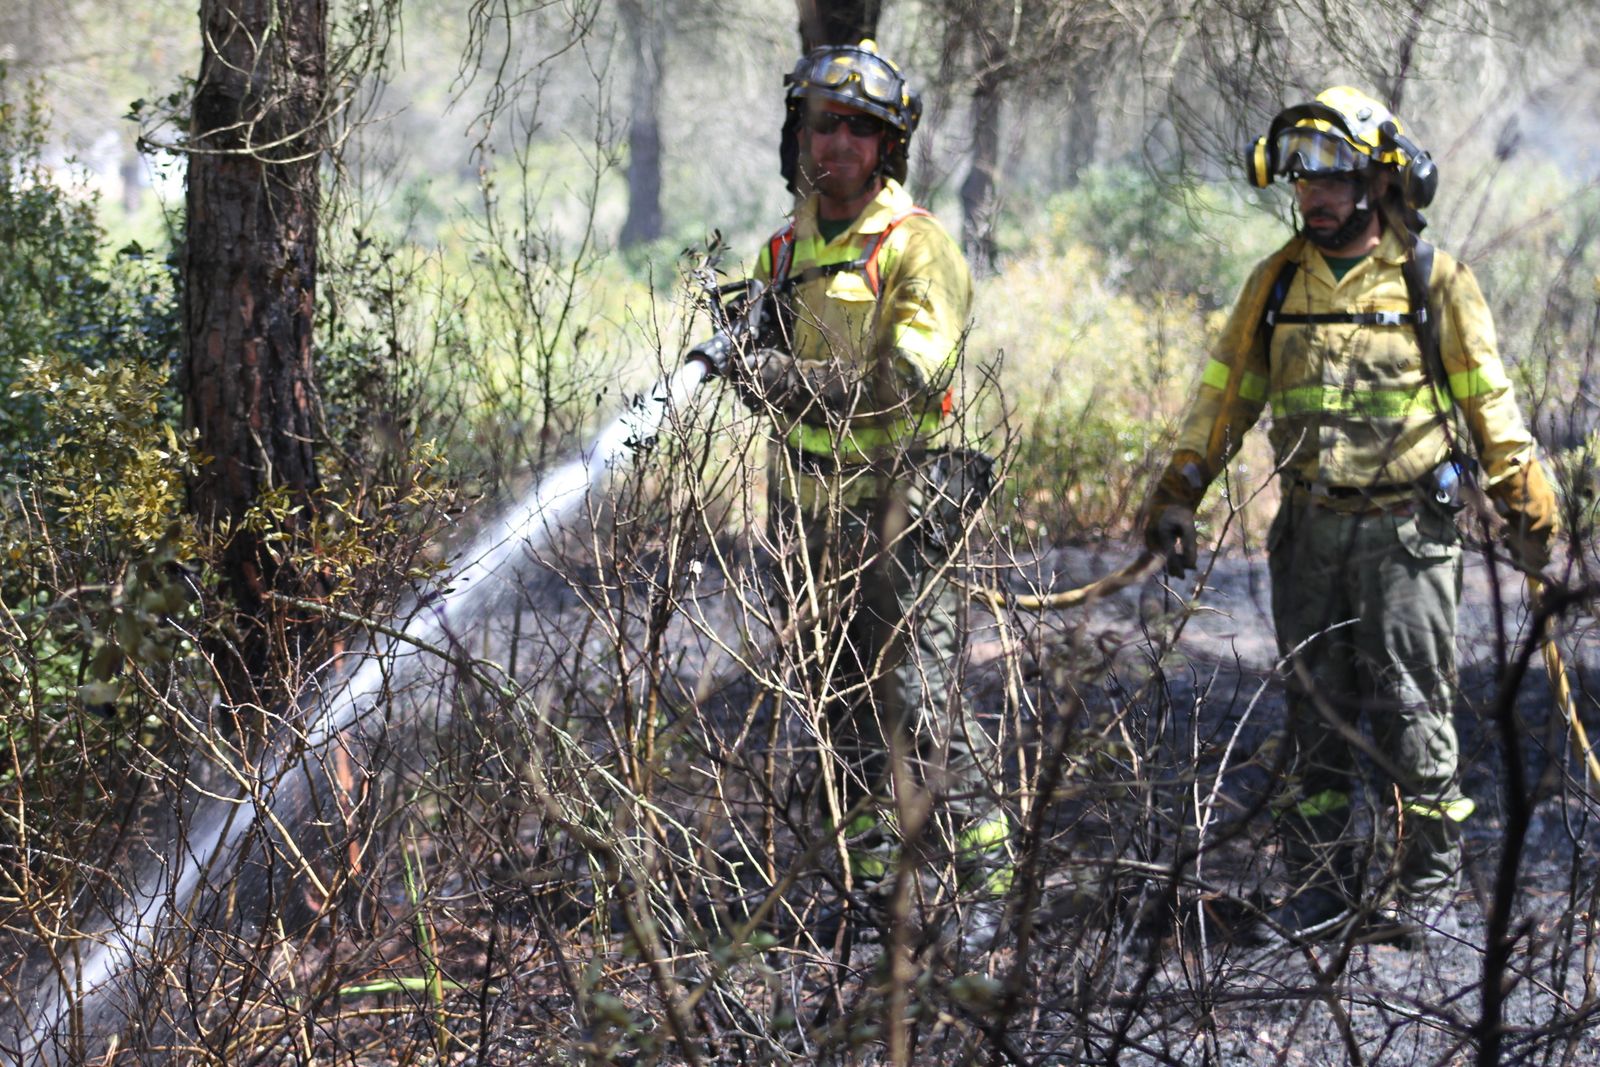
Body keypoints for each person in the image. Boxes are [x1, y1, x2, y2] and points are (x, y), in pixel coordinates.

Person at [1144, 86, 1560, 943]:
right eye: (1301, 178)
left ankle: (1428, 892)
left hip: (1407, 539)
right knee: (1314, 717)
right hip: (1308, 534)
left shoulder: (1432, 278)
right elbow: (1226, 394)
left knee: (1414, 715)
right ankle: (1325, 885)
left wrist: (1529, 511)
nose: (1314, 196)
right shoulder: (1278, 281)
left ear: (1378, 179)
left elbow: (1491, 405)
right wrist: (1181, 487)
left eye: (1333, 177)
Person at [718, 40, 1007, 942]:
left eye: (858, 128)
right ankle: (876, 883)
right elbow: (766, 371)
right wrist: (735, 354)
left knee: (919, 703)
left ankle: (990, 884)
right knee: (837, 704)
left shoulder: (919, 249)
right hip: (804, 519)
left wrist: (783, 377)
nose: (836, 142)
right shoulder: (782, 248)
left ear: (887, 146)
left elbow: (907, 382)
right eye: (822, 124)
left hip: (899, 512)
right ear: (798, 135)